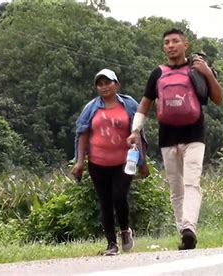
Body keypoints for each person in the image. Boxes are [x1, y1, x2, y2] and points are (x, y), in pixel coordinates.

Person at [127, 28, 223, 250]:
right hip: (167, 137)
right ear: (164, 48)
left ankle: (189, 227)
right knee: (175, 188)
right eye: (167, 42)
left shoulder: (199, 68)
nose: (171, 45)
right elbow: (145, 103)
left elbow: (218, 98)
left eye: (175, 41)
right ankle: (184, 232)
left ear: (185, 44)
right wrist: (135, 130)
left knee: (191, 182)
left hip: (195, 135)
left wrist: (208, 73)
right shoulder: (157, 73)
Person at [72, 68, 148, 256]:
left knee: (119, 196)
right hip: (98, 163)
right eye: (100, 84)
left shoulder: (129, 104)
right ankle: (111, 244)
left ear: (117, 85)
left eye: (108, 82)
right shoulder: (91, 108)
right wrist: (79, 162)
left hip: (124, 162)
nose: (104, 87)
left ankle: (124, 230)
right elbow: (82, 134)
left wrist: (143, 163)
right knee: (105, 201)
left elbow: (139, 133)